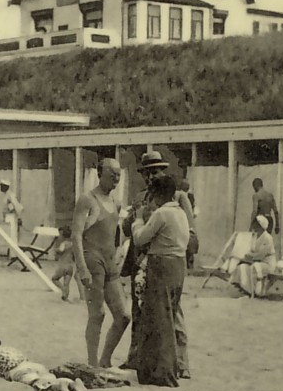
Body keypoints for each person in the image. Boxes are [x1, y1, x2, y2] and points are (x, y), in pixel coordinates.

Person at [121, 151, 192, 371]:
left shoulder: (178, 198)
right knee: (139, 310)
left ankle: (180, 362)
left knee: (172, 312)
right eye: (147, 173)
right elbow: (127, 230)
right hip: (141, 259)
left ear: (163, 171)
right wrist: (133, 217)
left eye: (155, 172)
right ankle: (136, 357)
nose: (151, 177)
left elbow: (189, 231)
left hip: (166, 260)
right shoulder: (139, 198)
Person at [72, 158, 129, 368]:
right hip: (92, 261)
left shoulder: (116, 202)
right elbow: (76, 235)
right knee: (97, 314)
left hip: (109, 263)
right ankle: (92, 362)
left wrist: (118, 258)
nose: (116, 178)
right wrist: (82, 268)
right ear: (100, 173)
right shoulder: (87, 200)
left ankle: (105, 358)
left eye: (118, 175)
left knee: (123, 316)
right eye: (112, 174)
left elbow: (115, 235)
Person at [0, 333, 87, 391]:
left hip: (18, 370)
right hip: (31, 364)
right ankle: (70, 383)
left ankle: (58, 387)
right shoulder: (6, 349)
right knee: (47, 376)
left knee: (35, 381)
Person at [229, 215, 277, 297]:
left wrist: (250, 257)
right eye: (254, 224)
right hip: (255, 261)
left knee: (255, 266)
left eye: (257, 225)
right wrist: (246, 256)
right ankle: (247, 289)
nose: (254, 226)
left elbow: (262, 254)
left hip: (267, 263)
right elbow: (250, 250)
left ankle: (258, 290)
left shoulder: (267, 238)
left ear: (262, 226)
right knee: (242, 267)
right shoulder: (254, 236)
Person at [49, 226, 83, 302]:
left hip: (63, 265)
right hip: (70, 266)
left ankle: (63, 289)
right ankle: (65, 297)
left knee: (54, 279)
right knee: (66, 283)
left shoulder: (64, 243)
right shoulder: (73, 244)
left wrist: (56, 250)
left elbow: (61, 250)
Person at [0, 179, 23, 250]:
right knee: (8, 235)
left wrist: (10, 208)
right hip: (8, 216)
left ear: (6, 187)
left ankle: (14, 254)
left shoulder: (10, 195)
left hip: (11, 217)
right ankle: (9, 252)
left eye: (2, 186)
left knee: (12, 235)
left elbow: (15, 205)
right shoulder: (6, 194)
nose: (0, 188)